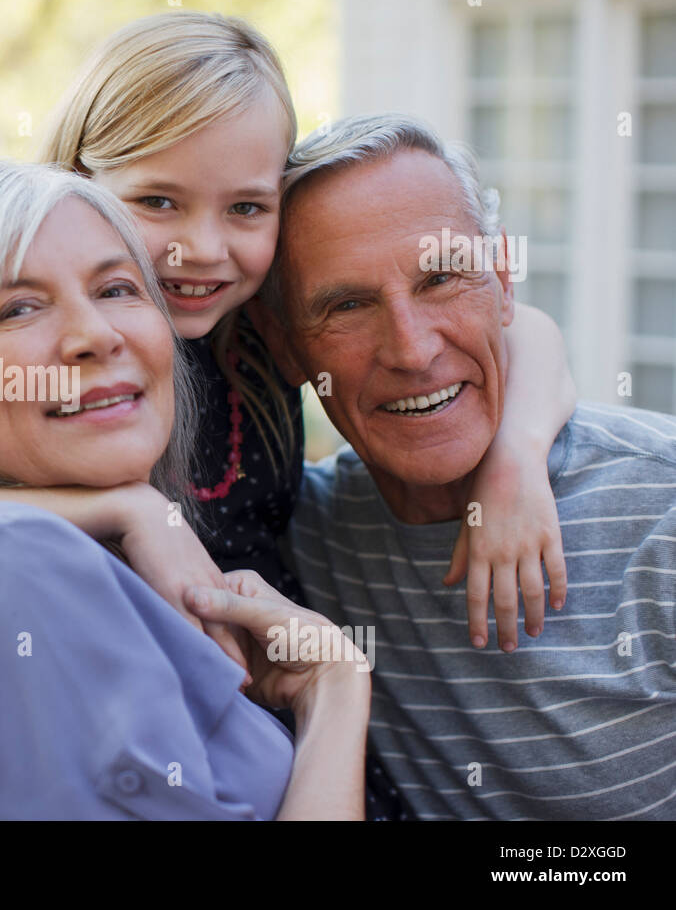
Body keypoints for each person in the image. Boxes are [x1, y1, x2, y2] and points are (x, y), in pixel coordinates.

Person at [0, 12, 575, 818]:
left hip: (266, 686)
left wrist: (513, 462)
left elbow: (519, 326)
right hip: (136, 696)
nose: (204, 248)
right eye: (159, 201)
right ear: (84, 181)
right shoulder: (73, 373)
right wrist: (128, 510)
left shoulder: (252, 318)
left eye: (247, 209)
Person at [0, 159, 372, 819]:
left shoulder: (103, 575)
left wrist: (332, 680)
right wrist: (335, 695)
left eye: (116, 290)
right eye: (19, 307)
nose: (96, 335)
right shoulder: (10, 562)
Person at [207, 112, 676, 819]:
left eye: (441, 279)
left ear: (504, 281)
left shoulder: (660, 516)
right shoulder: (302, 535)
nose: (413, 349)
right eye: (350, 305)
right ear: (284, 345)